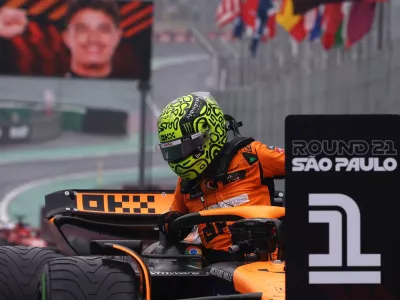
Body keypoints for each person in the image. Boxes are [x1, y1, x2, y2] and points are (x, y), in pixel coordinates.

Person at [156, 91, 285, 263]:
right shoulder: (185, 182)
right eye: (172, 151)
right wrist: (168, 224)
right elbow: (174, 221)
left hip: (265, 265)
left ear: (208, 133)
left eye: (184, 148)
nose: (179, 157)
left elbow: (310, 165)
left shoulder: (252, 154)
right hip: (213, 271)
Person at [62, 0, 122, 78]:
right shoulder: (51, 89)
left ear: (117, 37)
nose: (93, 39)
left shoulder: (131, 89)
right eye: (82, 30)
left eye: (103, 29)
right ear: (67, 38)